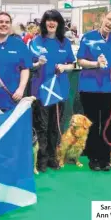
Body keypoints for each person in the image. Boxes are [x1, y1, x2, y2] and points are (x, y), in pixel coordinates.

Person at [76, 10, 111, 171]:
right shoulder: (88, 37)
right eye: (109, 19)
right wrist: (95, 64)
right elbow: (80, 61)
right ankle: (93, 157)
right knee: (93, 123)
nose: (110, 23)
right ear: (103, 18)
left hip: (110, 88)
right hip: (89, 88)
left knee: (108, 123)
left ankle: (105, 157)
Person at [30, 9, 77, 172]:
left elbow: (72, 64)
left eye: (54, 20)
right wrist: (37, 64)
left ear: (59, 23)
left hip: (59, 91)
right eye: (48, 20)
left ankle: (52, 156)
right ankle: (41, 159)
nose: (51, 23)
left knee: (55, 126)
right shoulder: (36, 41)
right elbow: (29, 65)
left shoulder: (65, 43)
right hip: (41, 91)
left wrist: (65, 67)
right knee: (42, 126)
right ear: (44, 23)